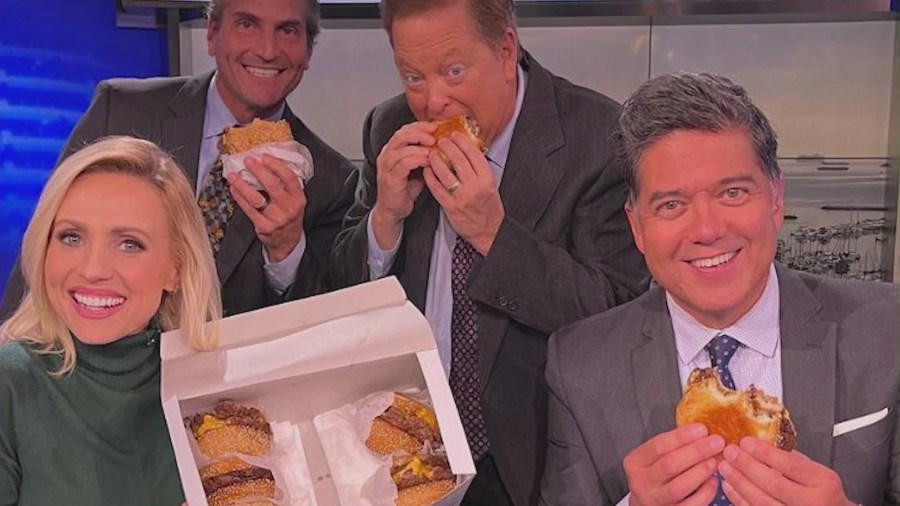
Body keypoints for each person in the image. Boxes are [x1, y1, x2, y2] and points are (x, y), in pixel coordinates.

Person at [331, 0, 649, 503]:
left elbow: (616, 315)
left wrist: (493, 236)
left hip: (527, 463)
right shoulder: (387, 125)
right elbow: (342, 289)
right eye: (413, 77)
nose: (434, 101)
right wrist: (384, 220)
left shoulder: (599, 138)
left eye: (454, 71)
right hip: (402, 449)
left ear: (505, 50)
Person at [539, 72, 900, 506]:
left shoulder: (886, 331)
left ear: (776, 200)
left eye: (732, 192)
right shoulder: (580, 365)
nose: (707, 230)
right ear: (636, 227)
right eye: (671, 204)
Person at [1, 0, 356, 321]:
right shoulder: (121, 110)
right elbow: (42, 249)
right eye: (246, 24)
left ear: (308, 51)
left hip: (218, 386)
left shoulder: (331, 180)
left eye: (288, 30)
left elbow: (319, 331)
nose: (266, 50)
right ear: (212, 34)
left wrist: (285, 250)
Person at [0, 136, 222, 505]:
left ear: (176, 269)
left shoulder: (213, 387)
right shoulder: (11, 382)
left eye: (129, 244)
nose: (92, 269)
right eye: (71, 237)